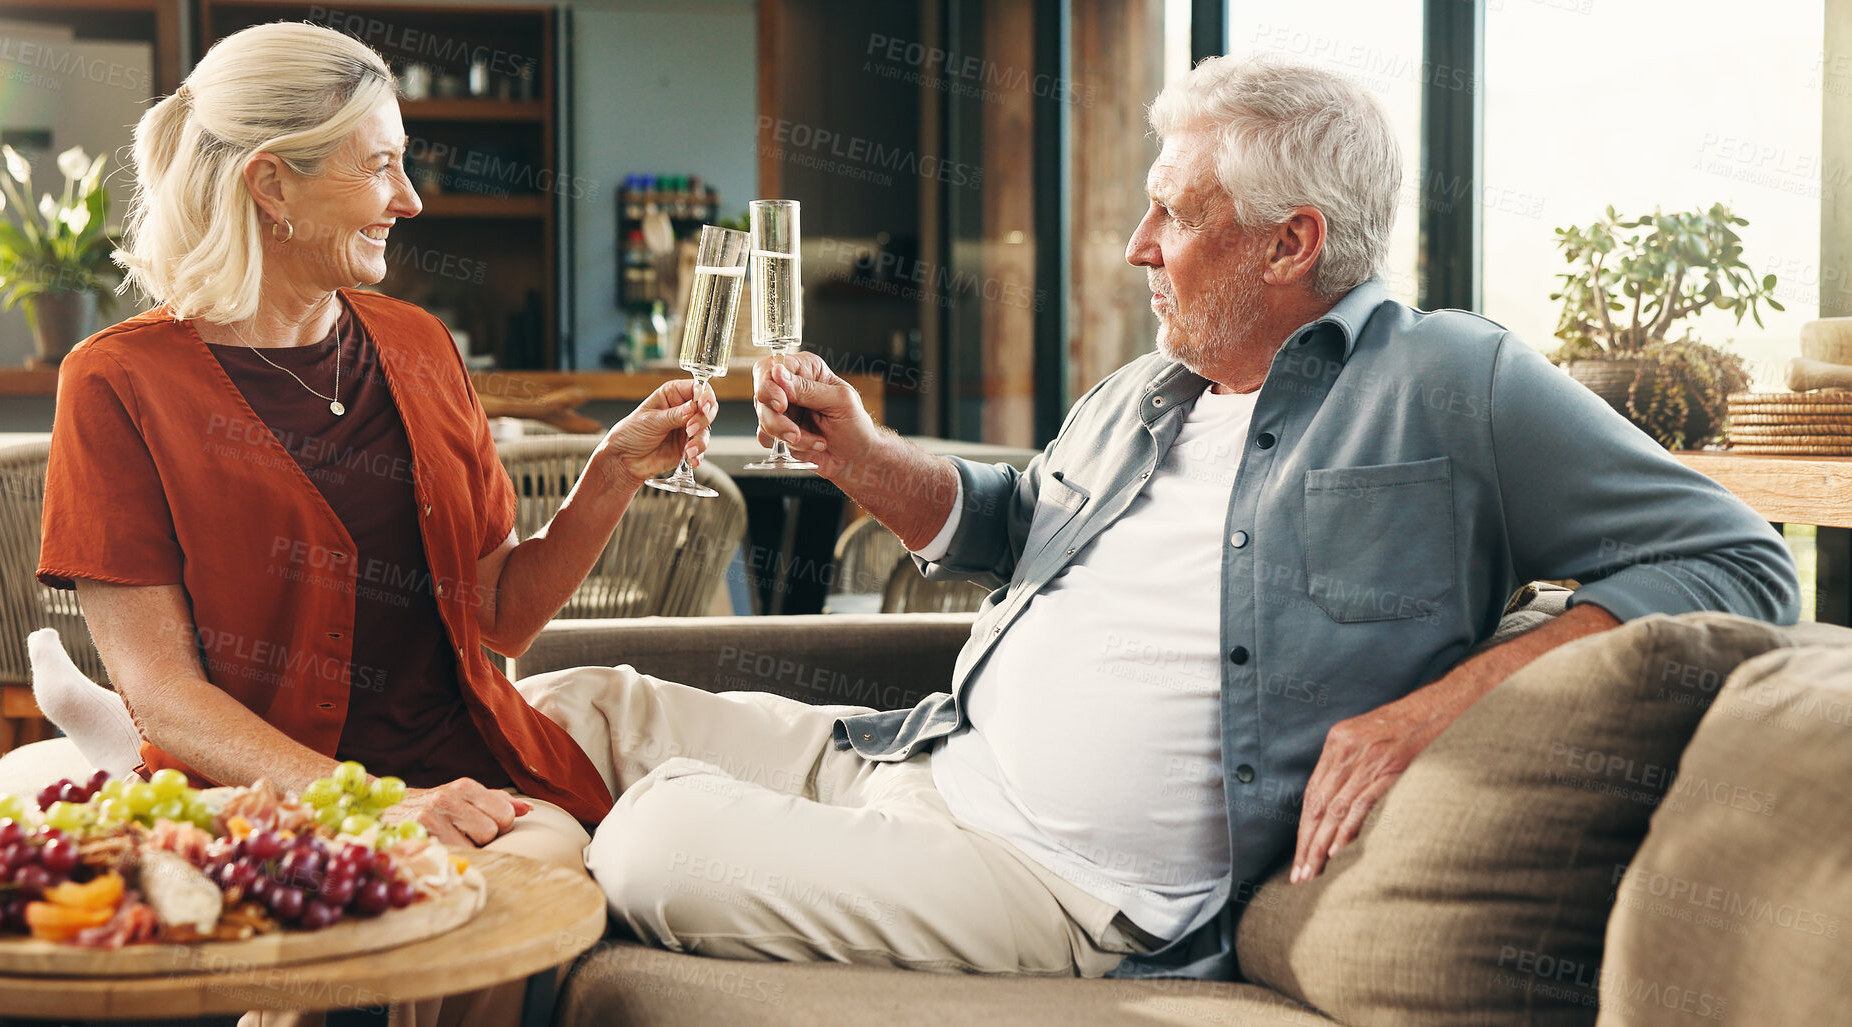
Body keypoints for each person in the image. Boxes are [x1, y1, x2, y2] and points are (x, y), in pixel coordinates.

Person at [517, 52, 1799, 982]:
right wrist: (865, 457)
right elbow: (1021, 520)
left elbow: (1737, 562)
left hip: (1071, 885)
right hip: (919, 760)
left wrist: (1431, 710)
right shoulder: (1149, 390)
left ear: (1290, 243)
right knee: (560, 701)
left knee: (657, 837)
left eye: (1174, 214)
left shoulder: (1454, 382)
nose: (1136, 244)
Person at [32, 22, 714, 1023]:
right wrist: (379, 802)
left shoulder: (418, 344)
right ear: (273, 186)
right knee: (396, 886)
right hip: (270, 787)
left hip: (459, 763)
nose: (411, 199)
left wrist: (609, 476)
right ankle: (81, 707)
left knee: (530, 881)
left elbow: (496, 622)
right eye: (383, 166)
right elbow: (171, 701)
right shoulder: (118, 381)